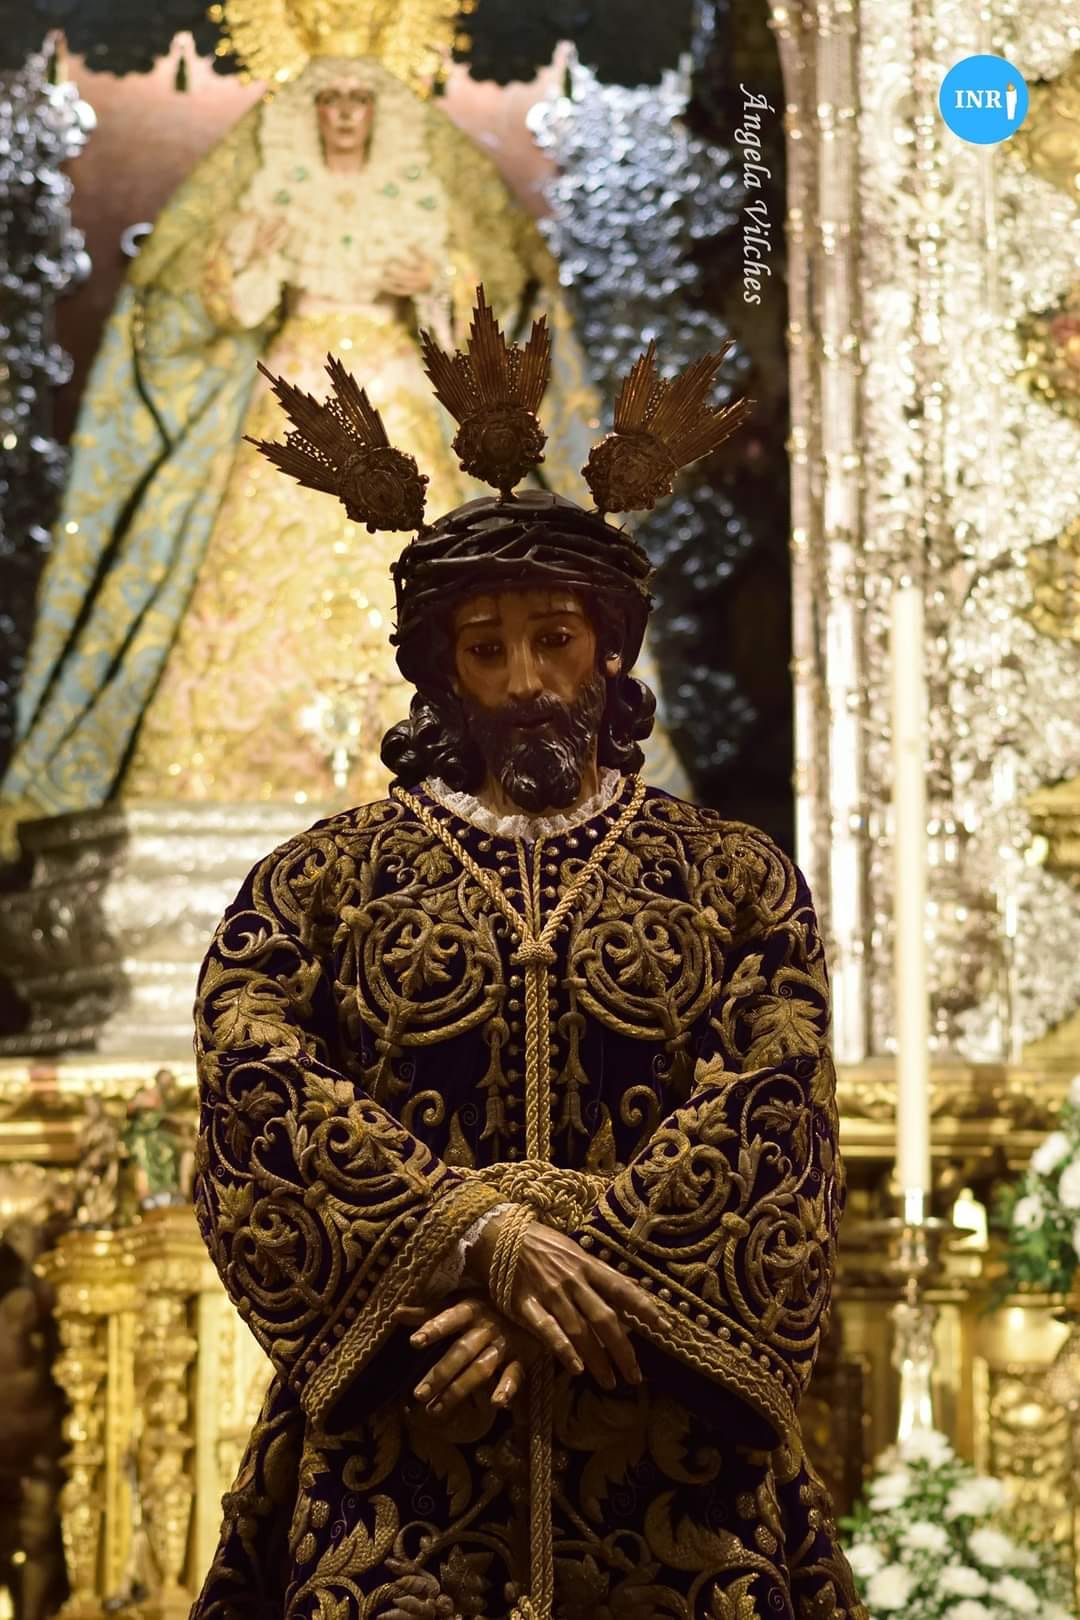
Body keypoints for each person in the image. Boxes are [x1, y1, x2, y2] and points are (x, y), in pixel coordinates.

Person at [191, 290, 865, 1620]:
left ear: (609, 649)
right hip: (405, 1441)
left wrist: (558, 1268)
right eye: (486, 650)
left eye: (554, 640)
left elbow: (774, 1105)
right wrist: (471, 1236)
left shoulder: (733, 882)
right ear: (441, 674)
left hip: (667, 1434)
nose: (527, 680)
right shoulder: (318, 887)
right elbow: (255, 1086)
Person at [0, 52, 686, 853]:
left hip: (401, 393)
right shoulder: (274, 190)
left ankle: (445, 766)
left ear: (381, 111)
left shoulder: (418, 190)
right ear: (310, 112)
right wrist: (246, 260)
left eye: (361, 99)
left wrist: (433, 279)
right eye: (331, 100)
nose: (347, 114)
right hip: (295, 382)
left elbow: (471, 318)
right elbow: (231, 304)